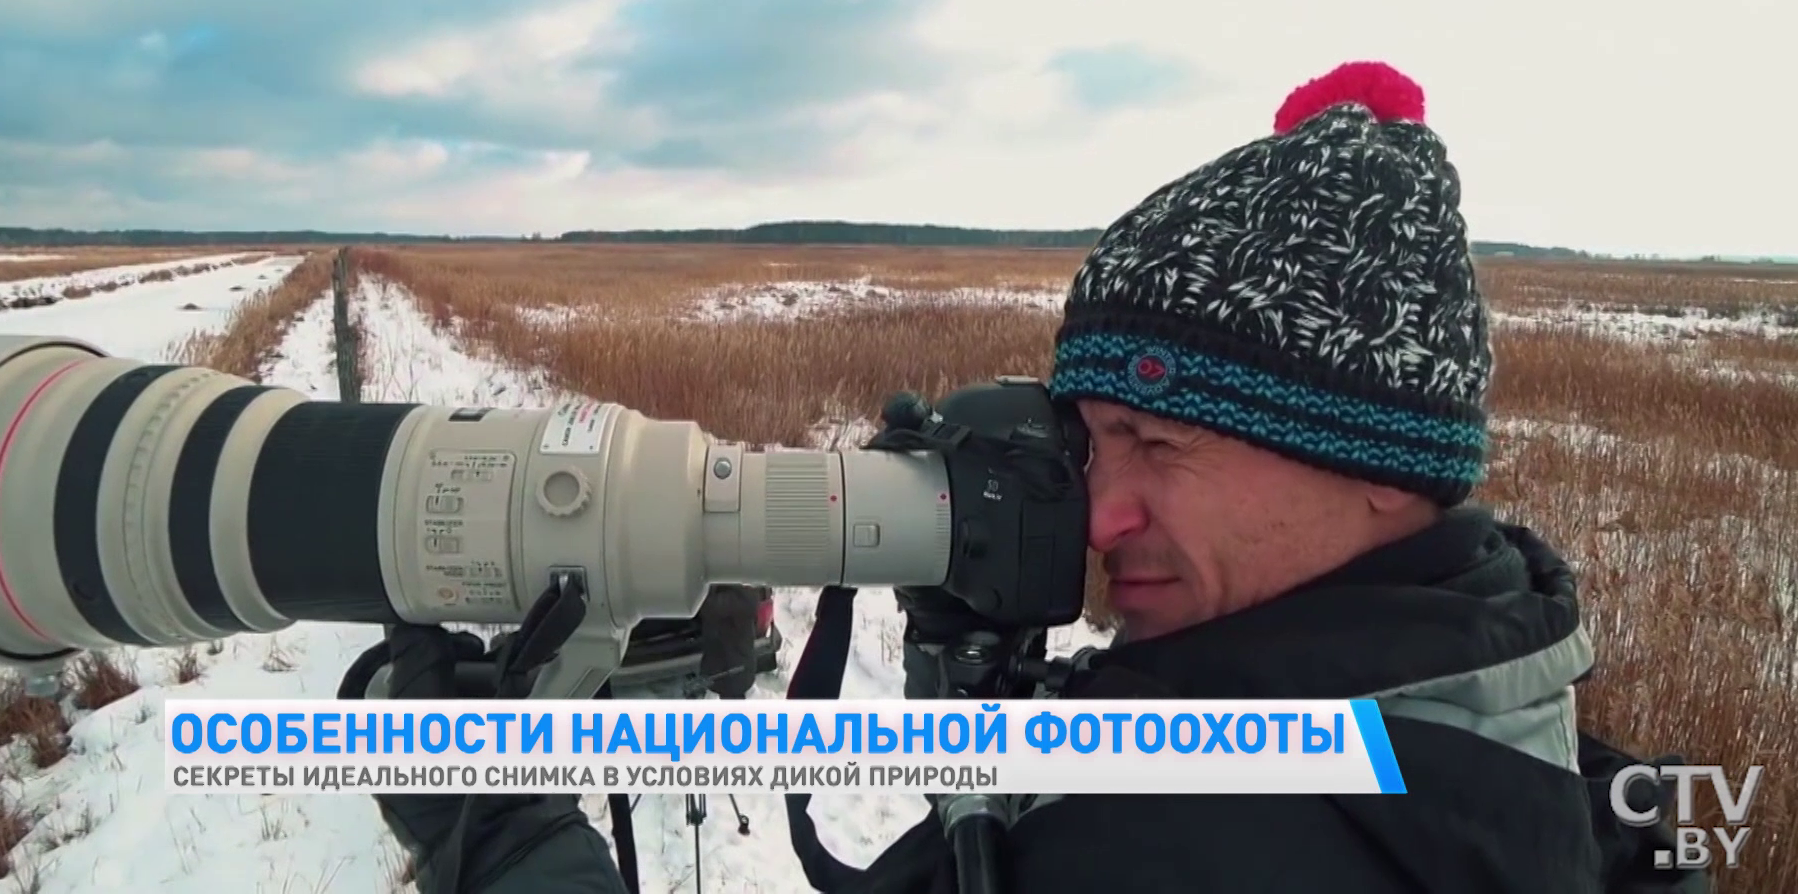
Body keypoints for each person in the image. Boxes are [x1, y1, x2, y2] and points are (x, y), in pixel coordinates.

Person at [353, 62, 1692, 893]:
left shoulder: (1181, 843)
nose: (1103, 518)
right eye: (1092, 444)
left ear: (1372, 468)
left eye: (1163, 446)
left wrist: (505, 832)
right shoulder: (1523, 736)